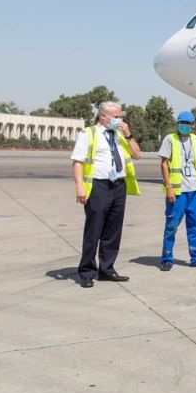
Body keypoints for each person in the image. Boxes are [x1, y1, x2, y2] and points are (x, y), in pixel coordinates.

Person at [70, 101, 141, 288]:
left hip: (118, 186)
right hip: (98, 186)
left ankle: (107, 269)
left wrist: (128, 134)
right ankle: (87, 272)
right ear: (103, 116)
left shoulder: (120, 134)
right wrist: (80, 187)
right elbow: (77, 161)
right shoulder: (89, 133)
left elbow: (137, 155)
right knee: (94, 230)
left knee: (113, 231)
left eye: (120, 117)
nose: (119, 120)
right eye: (116, 117)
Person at [157, 111, 196, 271]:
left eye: (187, 123)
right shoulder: (170, 139)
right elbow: (164, 164)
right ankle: (166, 258)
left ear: (193, 125)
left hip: (193, 190)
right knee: (172, 225)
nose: (183, 125)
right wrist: (168, 187)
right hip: (177, 191)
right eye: (181, 122)